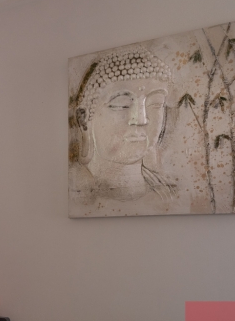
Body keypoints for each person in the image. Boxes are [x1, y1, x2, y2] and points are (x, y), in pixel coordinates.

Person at [69, 45, 175, 211]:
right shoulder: (74, 191)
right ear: (83, 120)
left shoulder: (168, 192)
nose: (141, 119)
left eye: (156, 104)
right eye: (122, 104)